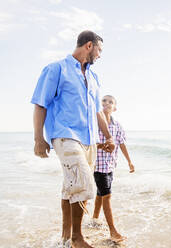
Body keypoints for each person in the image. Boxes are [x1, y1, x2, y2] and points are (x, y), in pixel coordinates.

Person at [31, 30, 115, 248]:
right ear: (89, 45)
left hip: (89, 140)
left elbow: (98, 112)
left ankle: (66, 238)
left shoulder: (94, 78)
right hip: (65, 135)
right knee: (85, 184)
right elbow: (40, 104)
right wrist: (38, 138)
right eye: (99, 50)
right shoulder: (56, 69)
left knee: (71, 187)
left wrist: (108, 137)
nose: (100, 55)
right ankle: (78, 238)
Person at [92, 95, 135, 243]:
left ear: (114, 108)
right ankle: (113, 231)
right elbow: (88, 142)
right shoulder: (95, 122)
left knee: (100, 193)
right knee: (107, 196)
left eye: (110, 102)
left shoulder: (117, 125)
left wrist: (129, 161)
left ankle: (95, 219)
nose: (106, 103)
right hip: (97, 164)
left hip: (110, 164)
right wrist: (102, 146)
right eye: (104, 101)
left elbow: (121, 144)